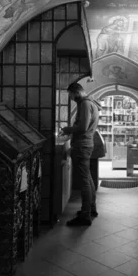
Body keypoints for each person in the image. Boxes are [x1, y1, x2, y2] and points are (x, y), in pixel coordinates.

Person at [61, 82, 102, 226]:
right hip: (86, 144)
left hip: (82, 145)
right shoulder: (91, 103)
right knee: (88, 178)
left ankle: (85, 215)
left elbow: (83, 127)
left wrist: (67, 129)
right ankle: (91, 208)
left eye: (71, 95)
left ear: (75, 92)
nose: (71, 98)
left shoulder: (84, 104)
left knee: (84, 180)